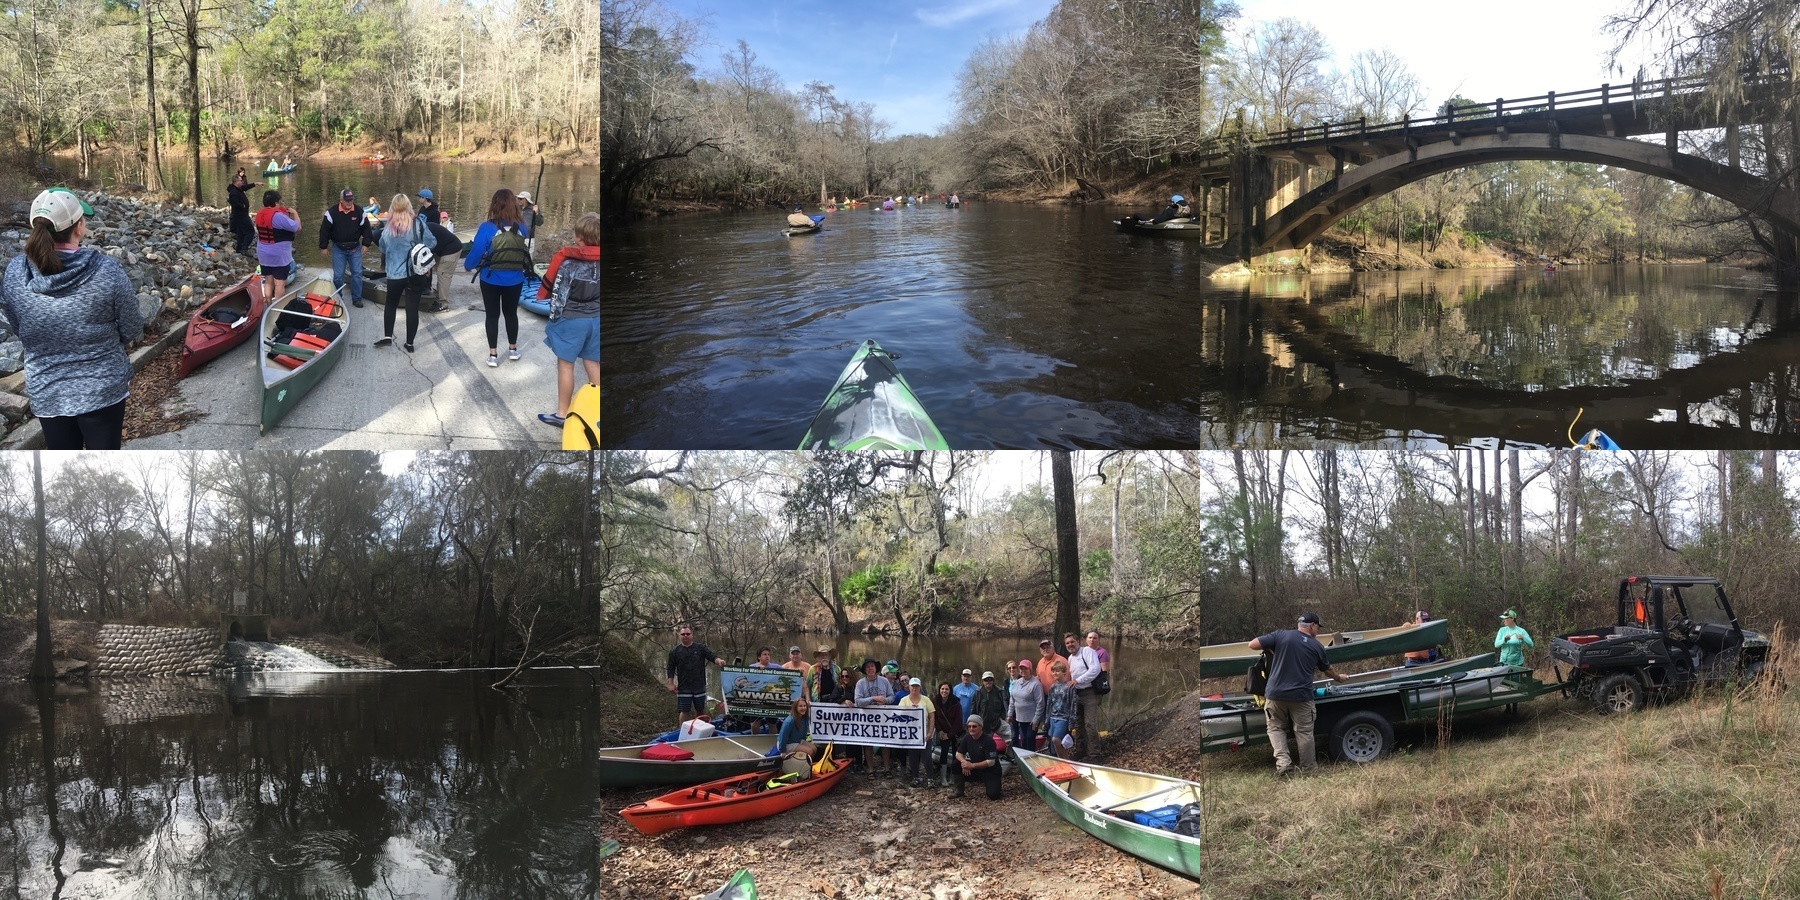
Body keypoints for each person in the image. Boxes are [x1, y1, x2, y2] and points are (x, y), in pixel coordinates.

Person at [0, 188, 142, 450]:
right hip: (102, 388)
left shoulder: (15, 273)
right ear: (79, 228)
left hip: (48, 390)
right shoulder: (107, 271)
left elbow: (20, 328)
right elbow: (132, 327)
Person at [1248, 612, 1349, 776]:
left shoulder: (1280, 635)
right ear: (1311, 626)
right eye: (1318, 627)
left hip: (1275, 695)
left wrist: (1272, 648)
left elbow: (1252, 645)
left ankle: (1283, 765)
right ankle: (1308, 770)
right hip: (1301, 697)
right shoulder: (1316, 646)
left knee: (1275, 728)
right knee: (1304, 733)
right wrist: (1339, 678)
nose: (1318, 631)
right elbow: (1327, 670)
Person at [534, 212, 600, 428]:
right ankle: (598, 412)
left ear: (579, 238)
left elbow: (558, 296)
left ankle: (562, 414)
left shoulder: (569, 264)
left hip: (572, 319)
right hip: (596, 319)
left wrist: (553, 320)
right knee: (592, 362)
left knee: (566, 366)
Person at [464, 188, 532, 368]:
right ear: (514, 204)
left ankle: (493, 355)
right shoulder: (522, 227)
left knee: (492, 316)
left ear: (494, 205)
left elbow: (476, 253)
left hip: (490, 279)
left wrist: (468, 266)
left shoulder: (487, 227)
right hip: (516, 279)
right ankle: (513, 349)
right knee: (511, 314)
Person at [373, 193, 435, 354]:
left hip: (394, 275)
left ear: (393, 208)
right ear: (408, 206)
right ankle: (410, 343)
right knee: (412, 309)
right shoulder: (418, 223)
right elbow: (432, 242)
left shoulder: (388, 229)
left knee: (391, 305)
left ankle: (387, 337)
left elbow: (383, 248)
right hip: (415, 273)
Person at [318, 188, 374, 308]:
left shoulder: (359, 211)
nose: (349, 203)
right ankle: (338, 298)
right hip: (338, 248)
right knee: (338, 275)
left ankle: (357, 298)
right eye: (347, 200)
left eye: (351, 200)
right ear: (341, 200)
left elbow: (366, 229)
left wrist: (366, 244)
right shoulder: (331, 212)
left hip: (355, 247)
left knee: (357, 273)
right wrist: (324, 246)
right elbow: (324, 231)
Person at [665, 626, 725, 728]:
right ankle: (682, 731)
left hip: (699, 686)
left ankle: (701, 730)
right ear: (679, 636)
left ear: (692, 635)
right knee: (684, 711)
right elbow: (670, 668)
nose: (685, 636)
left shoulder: (700, 648)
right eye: (683, 634)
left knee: (700, 710)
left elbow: (712, 656)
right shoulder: (675, 651)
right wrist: (670, 683)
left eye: (688, 634)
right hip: (684, 687)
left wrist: (719, 661)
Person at [253, 189, 300, 305]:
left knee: (268, 281)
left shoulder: (259, 214)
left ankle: (269, 305)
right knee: (279, 284)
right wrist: (295, 214)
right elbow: (296, 227)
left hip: (263, 252)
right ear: (276, 202)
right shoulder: (278, 216)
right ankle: (277, 309)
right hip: (279, 254)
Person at [849, 658, 894, 775]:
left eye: (872, 666)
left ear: (876, 668)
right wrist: (873, 699)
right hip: (866, 719)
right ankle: (870, 769)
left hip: (883, 717)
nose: (870, 669)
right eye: (868, 667)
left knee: (885, 743)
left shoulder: (884, 681)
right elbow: (858, 701)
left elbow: (891, 697)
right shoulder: (860, 683)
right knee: (868, 743)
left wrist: (885, 701)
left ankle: (886, 768)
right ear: (865, 670)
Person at [1065, 632, 1102, 757]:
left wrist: (1078, 680)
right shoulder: (1070, 658)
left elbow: (1095, 670)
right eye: (1067, 643)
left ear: (1077, 641)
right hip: (1077, 694)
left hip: (1090, 693)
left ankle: (1094, 753)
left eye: (1072, 642)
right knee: (1079, 725)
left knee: (1090, 724)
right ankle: (1081, 750)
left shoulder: (1087, 651)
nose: (1070, 645)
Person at [953, 715, 1003, 800]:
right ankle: (959, 791)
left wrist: (972, 766)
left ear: (981, 727)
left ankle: (995, 786)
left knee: (993, 795)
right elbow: (958, 753)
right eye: (969, 726)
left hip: (990, 771)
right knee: (955, 764)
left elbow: (991, 762)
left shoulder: (988, 740)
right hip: (975, 769)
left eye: (974, 726)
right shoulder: (967, 738)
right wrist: (964, 762)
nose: (971, 729)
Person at [897, 677, 936, 787]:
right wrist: (909, 709)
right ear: (909, 687)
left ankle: (930, 778)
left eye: (916, 686)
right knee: (913, 757)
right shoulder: (904, 700)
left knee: (927, 757)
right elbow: (899, 715)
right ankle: (916, 777)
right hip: (911, 736)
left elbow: (932, 716)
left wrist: (930, 732)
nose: (914, 688)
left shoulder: (926, 700)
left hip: (925, 735)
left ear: (920, 687)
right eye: (912, 686)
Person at [1008, 657, 1043, 755]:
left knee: (1029, 739)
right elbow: (1012, 700)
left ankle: (1032, 759)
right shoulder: (1017, 683)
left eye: (1025, 668)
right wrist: (1010, 714)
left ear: (1030, 670)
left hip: (1032, 719)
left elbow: (1040, 703)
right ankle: (1024, 759)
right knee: (1023, 740)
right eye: (1021, 669)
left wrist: (1036, 720)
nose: (1023, 671)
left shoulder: (1036, 684)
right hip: (1020, 718)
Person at [931, 681, 962, 787]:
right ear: (939, 690)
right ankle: (943, 778)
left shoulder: (956, 703)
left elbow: (958, 722)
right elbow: (934, 718)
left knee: (955, 754)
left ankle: (953, 777)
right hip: (942, 732)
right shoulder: (935, 701)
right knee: (943, 753)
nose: (944, 691)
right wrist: (939, 731)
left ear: (950, 691)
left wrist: (949, 735)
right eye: (942, 689)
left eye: (946, 689)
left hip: (954, 732)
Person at [1044, 660, 1077, 758]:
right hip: (1053, 718)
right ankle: (1061, 760)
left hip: (1063, 718)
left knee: (1056, 739)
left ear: (1064, 672)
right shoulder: (1052, 687)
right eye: (1053, 671)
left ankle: (1066, 761)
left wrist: (1072, 721)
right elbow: (1049, 704)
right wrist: (1046, 720)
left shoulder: (1069, 687)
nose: (1055, 673)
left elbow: (1073, 705)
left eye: (1057, 671)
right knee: (1054, 741)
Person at [226, 170, 254, 256]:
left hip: (240, 215)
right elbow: (235, 204)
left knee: (241, 232)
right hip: (240, 215)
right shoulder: (234, 192)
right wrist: (244, 206)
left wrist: (255, 184)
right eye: (240, 180)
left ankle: (239, 248)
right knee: (250, 231)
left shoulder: (238, 188)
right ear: (236, 182)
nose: (242, 182)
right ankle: (244, 248)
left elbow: (245, 187)